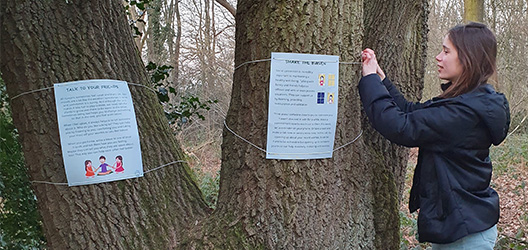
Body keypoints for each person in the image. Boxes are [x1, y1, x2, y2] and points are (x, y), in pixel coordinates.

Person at [358, 22, 510, 249]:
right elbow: (411, 112)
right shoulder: (466, 102)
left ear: (469, 58)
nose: (438, 57)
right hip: (461, 225)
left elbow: (401, 126)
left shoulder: (462, 112)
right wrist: (381, 81)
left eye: (446, 51)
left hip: (465, 234)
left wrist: (369, 80)